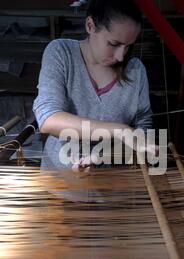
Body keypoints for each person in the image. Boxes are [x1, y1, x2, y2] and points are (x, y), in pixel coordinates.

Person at [33, 0, 153, 174]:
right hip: (59, 183)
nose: (120, 56)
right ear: (90, 25)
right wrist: (120, 131)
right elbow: (49, 119)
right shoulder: (61, 52)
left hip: (112, 186)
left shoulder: (136, 70)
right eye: (114, 44)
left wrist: (102, 156)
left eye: (128, 46)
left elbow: (143, 126)